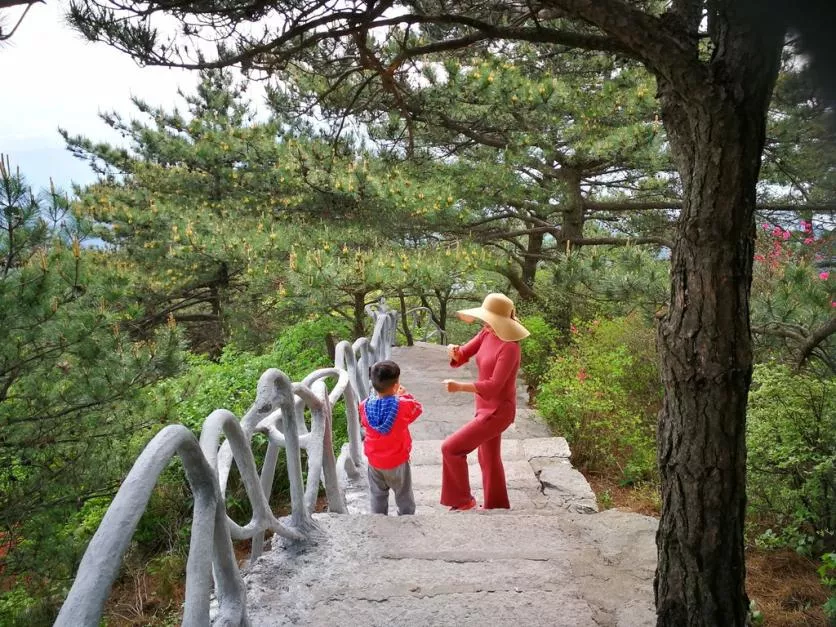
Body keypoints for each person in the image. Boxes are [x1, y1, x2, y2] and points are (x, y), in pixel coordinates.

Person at [441, 293, 530, 511]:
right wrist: (454, 351)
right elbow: (464, 353)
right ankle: (497, 505)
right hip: (483, 407)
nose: (485, 323)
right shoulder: (486, 332)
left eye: (490, 319)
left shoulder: (510, 347)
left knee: (451, 448)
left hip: (498, 411)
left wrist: (460, 386)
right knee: (488, 458)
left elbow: (493, 386)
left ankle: (463, 500)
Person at [359, 360, 423, 515]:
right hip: (398, 461)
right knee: (404, 495)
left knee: (377, 495)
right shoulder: (403, 405)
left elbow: (364, 423)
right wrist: (404, 395)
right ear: (395, 385)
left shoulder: (364, 405)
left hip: (374, 462)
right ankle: (407, 519)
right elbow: (417, 409)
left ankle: (379, 518)